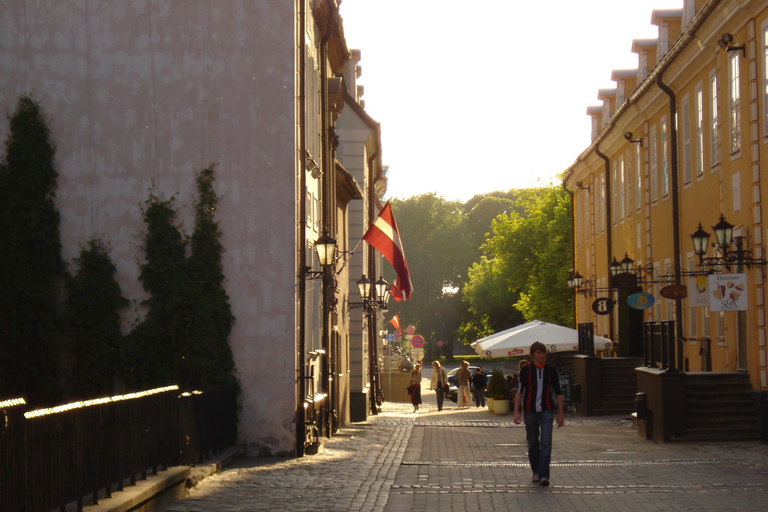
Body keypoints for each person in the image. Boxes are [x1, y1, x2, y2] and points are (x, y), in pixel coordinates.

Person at [513, 342, 564, 487]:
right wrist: (516, 411)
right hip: (530, 411)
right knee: (533, 443)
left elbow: (558, 392)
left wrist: (561, 413)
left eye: (543, 353)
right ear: (533, 355)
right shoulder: (526, 370)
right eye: (539, 353)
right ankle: (535, 470)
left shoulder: (551, 369)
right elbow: (519, 392)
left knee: (546, 442)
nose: (542, 355)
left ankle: (544, 475)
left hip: (547, 410)